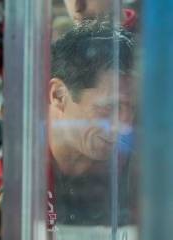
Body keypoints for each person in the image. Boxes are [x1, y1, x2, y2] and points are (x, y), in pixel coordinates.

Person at [48, 22, 134, 226]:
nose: (125, 126)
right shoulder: (21, 162)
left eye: (133, 109)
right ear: (59, 95)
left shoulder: (141, 171)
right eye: (110, 107)